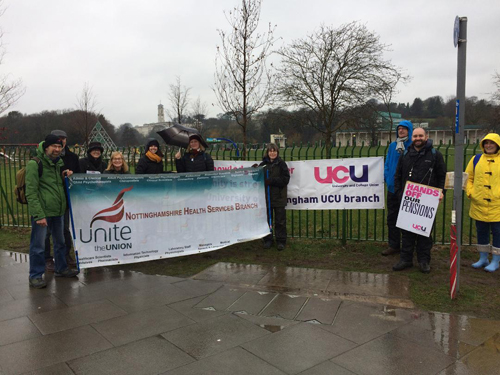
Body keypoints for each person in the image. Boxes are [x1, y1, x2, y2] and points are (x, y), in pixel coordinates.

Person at [26, 134, 79, 288]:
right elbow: (31, 191)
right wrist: (38, 214)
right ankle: (35, 275)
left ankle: (61, 268)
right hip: (43, 212)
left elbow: (52, 185)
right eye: (54, 146)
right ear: (46, 146)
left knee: (60, 242)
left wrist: (63, 177)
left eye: (59, 146)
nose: (57, 149)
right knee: (38, 245)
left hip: (58, 211)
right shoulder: (35, 164)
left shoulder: (56, 164)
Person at [392, 127, 446, 274]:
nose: (418, 138)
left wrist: (441, 192)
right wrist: (398, 193)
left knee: (424, 233)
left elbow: (442, 177)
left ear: (426, 136)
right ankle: (406, 259)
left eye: (420, 135)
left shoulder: (435, 155)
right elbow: (398, 176)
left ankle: (424, 260)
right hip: (408, 200)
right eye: (415, 136)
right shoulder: (405, 154)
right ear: (412, 137)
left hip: (427, 202)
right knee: (407, 232)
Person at [44, 130, 80, 272]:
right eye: (58, 140)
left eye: (63, 139)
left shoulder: (72, 157)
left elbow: (77, 174)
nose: (61, 143)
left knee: (64, 230)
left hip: (65, 198)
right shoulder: (45, 160)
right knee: (46, 232)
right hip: (48, 200)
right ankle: (47, 258)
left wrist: (71, 175)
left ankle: (65, 255)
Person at [466, 133, 500, 272]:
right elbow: (468, 177)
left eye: (492, 143)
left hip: (497, 206)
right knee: (481, 232)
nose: (489, 145)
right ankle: (483, 257)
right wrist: (470, 192)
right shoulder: (476, 159)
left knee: (498, 233)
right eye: (486, 143)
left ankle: (496, 260)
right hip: (478, 203)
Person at [382, 120, 413, 256]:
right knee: (392, 217)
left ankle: (409, 247)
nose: (401, 131)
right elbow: (388, 163)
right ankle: (393, 245)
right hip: (392, 188)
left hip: (407, 188)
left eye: (404, 129)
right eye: (399, 129)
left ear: (409, 130)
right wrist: (387, 177)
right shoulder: (393, 146)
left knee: (407, 219)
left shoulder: (412, 146)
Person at [259, 143, 290, 251]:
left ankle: (281, 241)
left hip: (279, 197)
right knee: (267, 220)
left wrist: (271, 181)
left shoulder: (282, 164)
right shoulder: (263, 165)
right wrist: (255, 172)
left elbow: (285, 179)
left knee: (280, 220)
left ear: (277, 152)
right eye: (270, 151)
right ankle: (268, 239)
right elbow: (257, 179)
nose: (272, 153)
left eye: (274, 151)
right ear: (267, 152)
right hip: (266, 197)